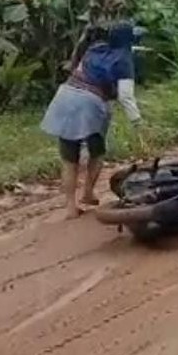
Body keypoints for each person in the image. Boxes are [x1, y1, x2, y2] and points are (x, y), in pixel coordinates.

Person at [41, 21, 145, 219]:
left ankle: (70, 207)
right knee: (97, 150)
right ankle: (88, 191)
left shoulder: (94, 49)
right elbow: (125, 96)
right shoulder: (124, 60)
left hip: (65, 95)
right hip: (91, 103)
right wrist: (137, 122)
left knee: (69, 158)